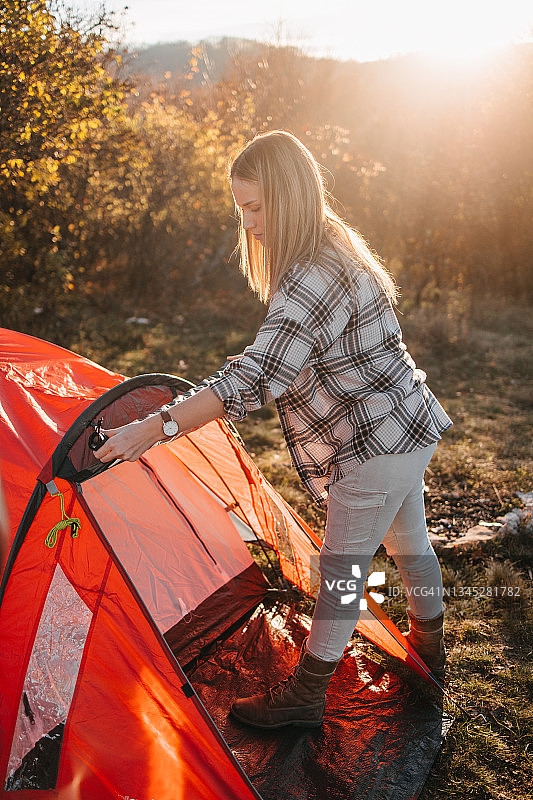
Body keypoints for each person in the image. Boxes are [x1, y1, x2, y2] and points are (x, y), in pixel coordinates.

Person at [95, 130, 452, 730]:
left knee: (342, 569)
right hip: (407, 424)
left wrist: (157, 426)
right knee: (410, 544)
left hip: (372, 441)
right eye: (241, 208)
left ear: (288, 199)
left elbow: (260, 373)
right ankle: (432, 659)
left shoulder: (312, 274)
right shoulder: (338, 245)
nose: (249, 222)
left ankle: (307, 697)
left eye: (256, 207)